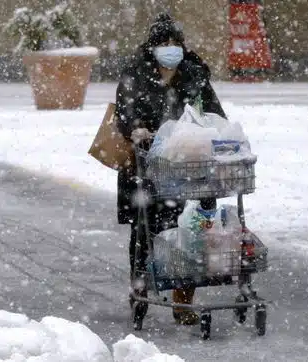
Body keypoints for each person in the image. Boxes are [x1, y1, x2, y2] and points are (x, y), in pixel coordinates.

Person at [114, 13, 226, 326]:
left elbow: (216, 114)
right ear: (152, 48)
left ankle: (182, 301)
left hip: (191, 165)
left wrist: (218, 135)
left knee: (191, 231)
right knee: (147, 228)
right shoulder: (136, 75)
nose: (171, 48)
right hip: (149, 166)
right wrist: (137, 129)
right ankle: (140, 290)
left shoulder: (193, 75)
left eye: (175, 43)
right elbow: (124, 112)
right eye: (164, 43)